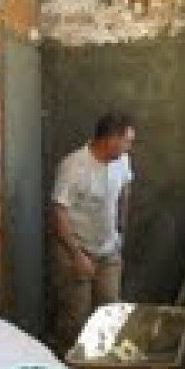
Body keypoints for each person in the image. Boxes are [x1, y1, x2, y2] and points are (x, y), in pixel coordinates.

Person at [51, 112, 135, 350]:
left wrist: (120, 229)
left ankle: (101, 365)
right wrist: (76, 255)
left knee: (110, 311)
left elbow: (126, 188)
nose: (129, 147)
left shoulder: (123, 160)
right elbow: (58, 212)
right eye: (127, 141)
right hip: (75, 250)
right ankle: (69, 366)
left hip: (108, 249)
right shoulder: (73, 166)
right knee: (76, 317)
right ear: (111, 139)